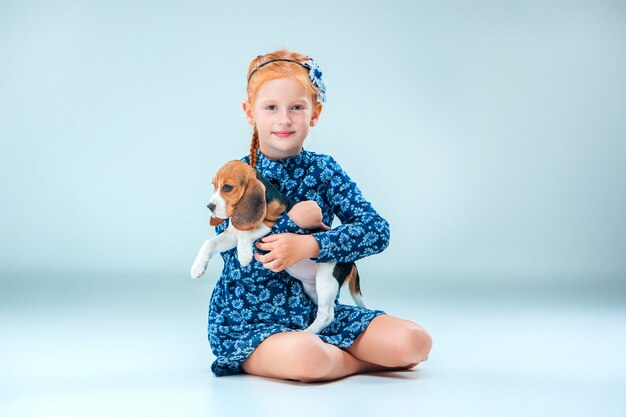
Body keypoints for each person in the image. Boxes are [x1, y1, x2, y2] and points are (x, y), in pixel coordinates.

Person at [207, 49, 432, 382]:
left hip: (319, 315)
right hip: (250, 322)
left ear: (315, 113)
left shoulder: (324, 170)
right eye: (271, 108)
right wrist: (291, 223)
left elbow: (376, 230)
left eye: (296, 107)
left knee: (414, 342)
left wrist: (311, 245)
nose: (284, 119)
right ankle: (353, 364)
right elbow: (240, 260)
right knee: (307, 357)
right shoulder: (238, 175)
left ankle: (332, 358)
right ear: (250, 113)